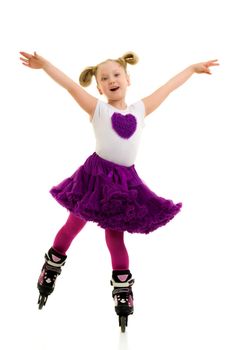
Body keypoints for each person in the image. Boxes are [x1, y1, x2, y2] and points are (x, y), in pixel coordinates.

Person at [19, 51, 219, 316]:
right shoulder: (97, 109)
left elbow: (167, 88)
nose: (111, 80)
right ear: (99, 87)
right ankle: (52, 265)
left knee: (115, 237)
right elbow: (69, 85)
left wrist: (191, 69)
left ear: (127, 78)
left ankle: (122, 289)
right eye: (104, 78)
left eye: (116, 75)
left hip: (124, 184)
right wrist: (44, 65)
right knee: (73, 225)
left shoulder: (140, 109)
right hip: (95, 178)